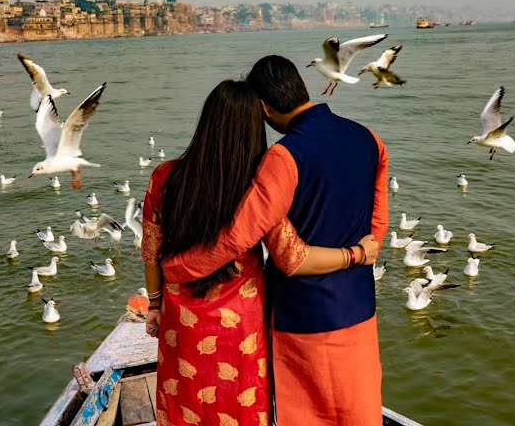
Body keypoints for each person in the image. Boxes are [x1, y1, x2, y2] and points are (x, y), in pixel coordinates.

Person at [162, 56, 390, 426]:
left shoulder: (283, 156)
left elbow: (241, 236)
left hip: (305, 312)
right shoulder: (369, 138)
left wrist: (180, 268)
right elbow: (377, 225)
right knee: (357, 409)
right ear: (301, 83)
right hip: (360, 304)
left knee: (311, 413)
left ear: (265, 108)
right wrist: (362, 254)